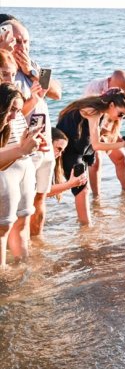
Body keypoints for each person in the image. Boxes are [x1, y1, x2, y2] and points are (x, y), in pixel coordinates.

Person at [6, 19, 62, 237]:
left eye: (26, 41)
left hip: (45, 145)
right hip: (23, 147)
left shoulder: (34, 65)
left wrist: (31, 70)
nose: (23, 47)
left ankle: (37, 245)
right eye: (17, 41)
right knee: (19, 208)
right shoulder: (6, 71)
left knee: (40, 197)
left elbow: (57, 92)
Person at [56, 89, 125, 225]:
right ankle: (86, 228)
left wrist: (107, 134)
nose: (121, 118)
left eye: (124, 116)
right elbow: (96, 145)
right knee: (82, 189)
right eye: (120, 114)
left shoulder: (99, 109)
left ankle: (86, 224)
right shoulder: (94, 111)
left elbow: (89, 133)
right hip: (69, 150)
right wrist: (124, 144)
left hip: (80, 147)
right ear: (112, 105)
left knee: (83, 188)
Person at [0, 82, 42, 268]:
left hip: (21, 168)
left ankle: (22, 267)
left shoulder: (14, 119)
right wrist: (21, 150)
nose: (16, 115)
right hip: (6, 173)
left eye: (18, 110)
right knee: (3, 227)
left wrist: (29, 147)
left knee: (22, 220)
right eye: (12, 110)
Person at [82, 70, 125, 196]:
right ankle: (96, 199)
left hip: (111, 125)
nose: (122, 93)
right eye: (119, 89)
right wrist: (100, 136)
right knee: (95, 162)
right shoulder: (94, 87)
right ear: (109, 81)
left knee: (121, 158)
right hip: (91, 126)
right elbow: (88, 115)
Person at [46, 127, 87, 200]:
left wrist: (69, 184)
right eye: (58, 149)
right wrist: (69, 185)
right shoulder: (34, 161)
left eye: (62, 151)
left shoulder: (48, 164)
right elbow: (40, 192)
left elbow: (43, 192)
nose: (60, 154)